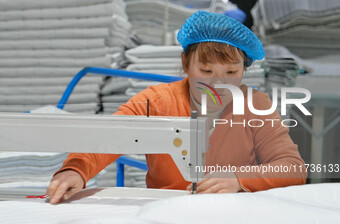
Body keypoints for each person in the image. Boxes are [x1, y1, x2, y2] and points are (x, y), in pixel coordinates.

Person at [47, 11, 307, 204]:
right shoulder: (156, 102)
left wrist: (239, 180)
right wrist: (76, 169)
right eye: (206, 71)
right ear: (185, 64)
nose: (219, 83)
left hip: (233, 217)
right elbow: (110, 136)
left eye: (231, 71)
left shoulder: (255, 106)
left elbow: (292, 167)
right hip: (166, 213)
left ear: (245, 69)